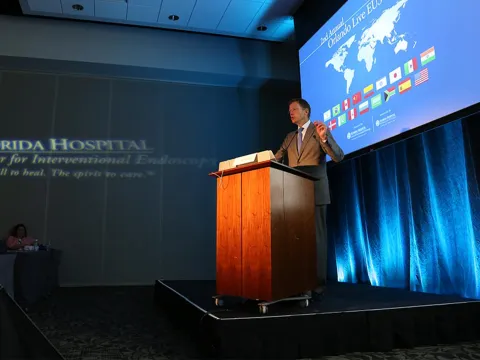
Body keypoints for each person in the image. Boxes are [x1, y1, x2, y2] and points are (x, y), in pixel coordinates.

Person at [275, 98, 344, 298]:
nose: (291, 112)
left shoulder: (318, 130)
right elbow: (275, 158)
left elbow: (338, 156)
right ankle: (298, 281)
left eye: (294, 109)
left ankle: (317, 283)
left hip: (315, 192)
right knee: (295, 240)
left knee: (317, 240)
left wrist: (325, 139)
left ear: (306, 111)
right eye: (289, 110)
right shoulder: (289, 137)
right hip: (294, 196)